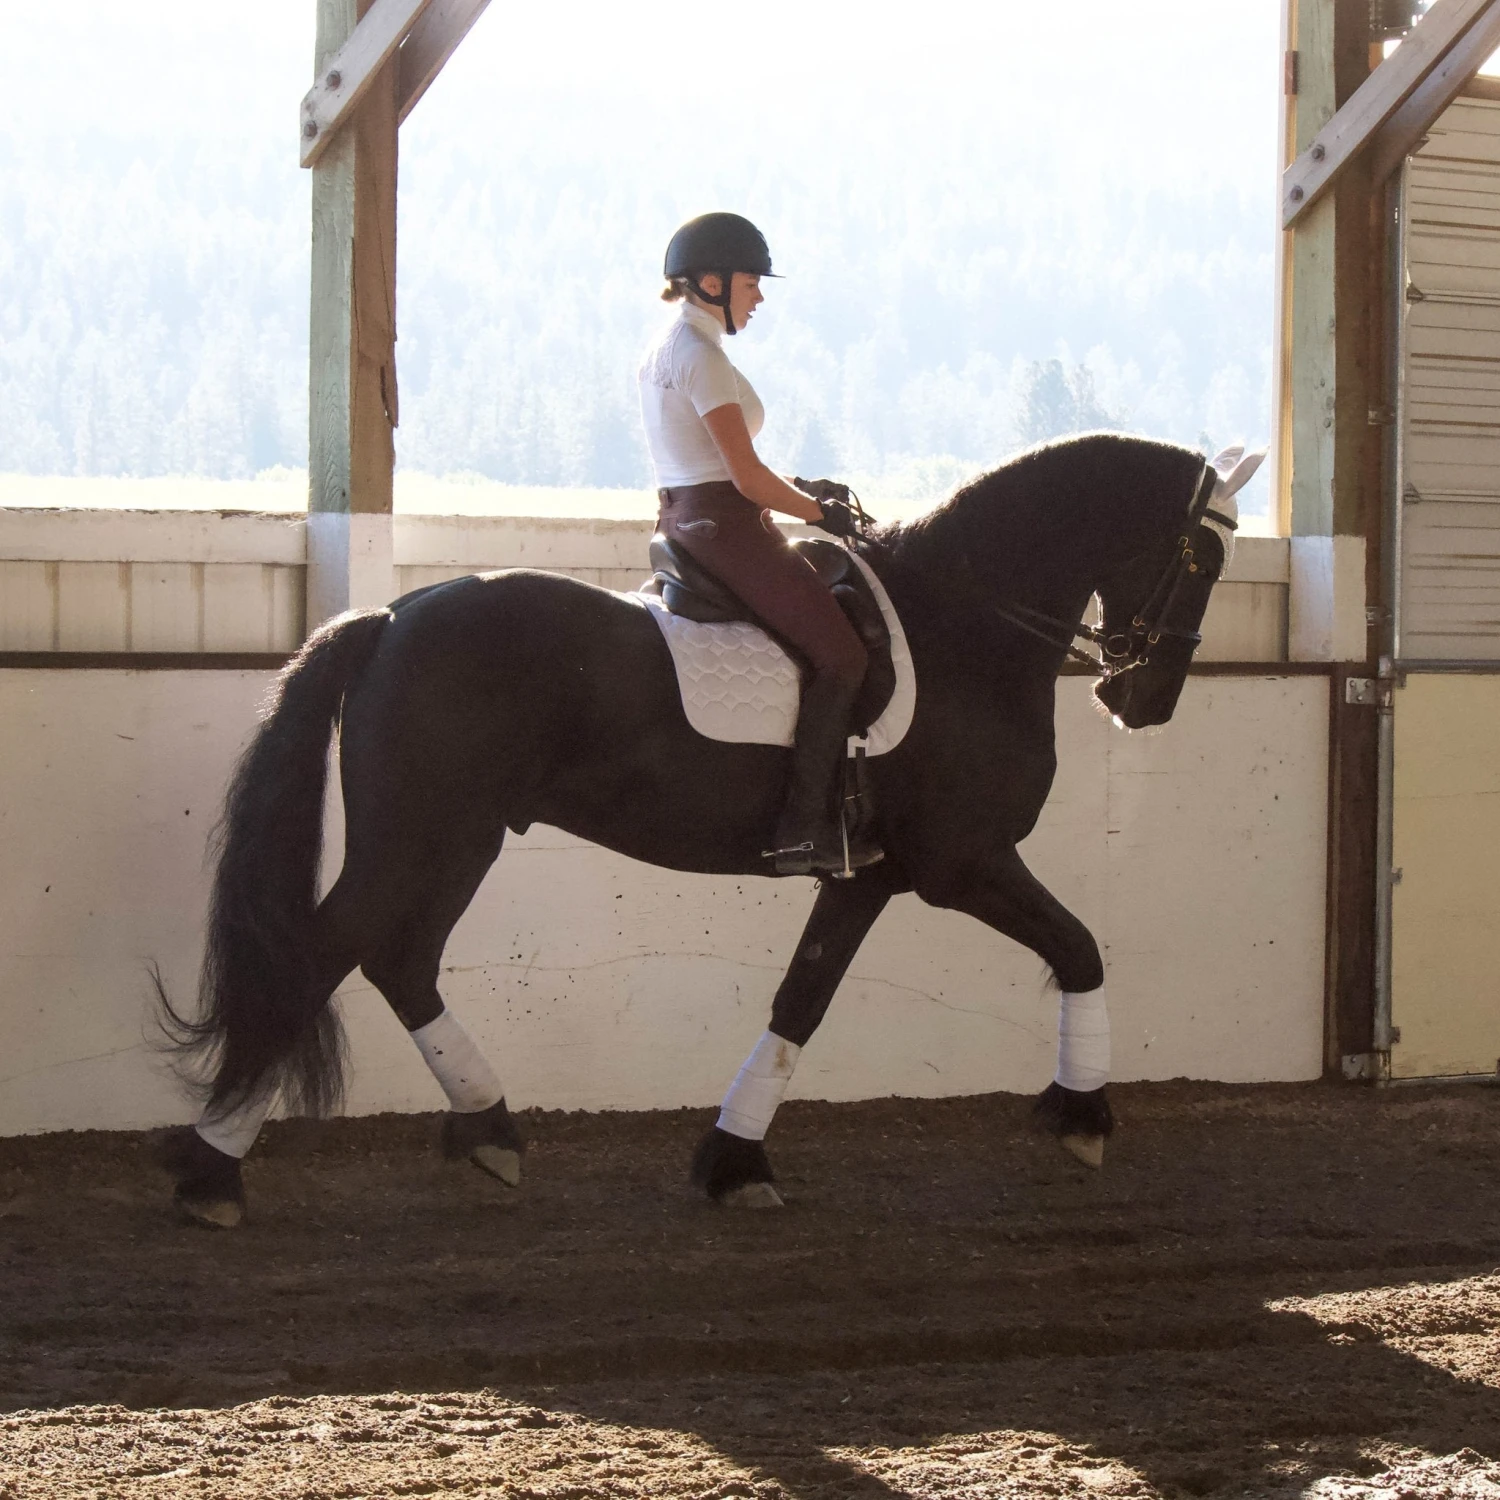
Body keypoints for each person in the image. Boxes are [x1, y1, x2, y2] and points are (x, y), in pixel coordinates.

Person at [638, 211, 883, 877]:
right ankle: (803, 829)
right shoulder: (702, 358)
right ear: (711, 281)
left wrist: (800, 489)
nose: (759, 295)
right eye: (750, 281)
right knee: (842, 657)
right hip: (729, 529)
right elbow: (743, 477)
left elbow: (721, 463)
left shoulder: (670, 348)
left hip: (690, 516)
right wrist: (819, 515)